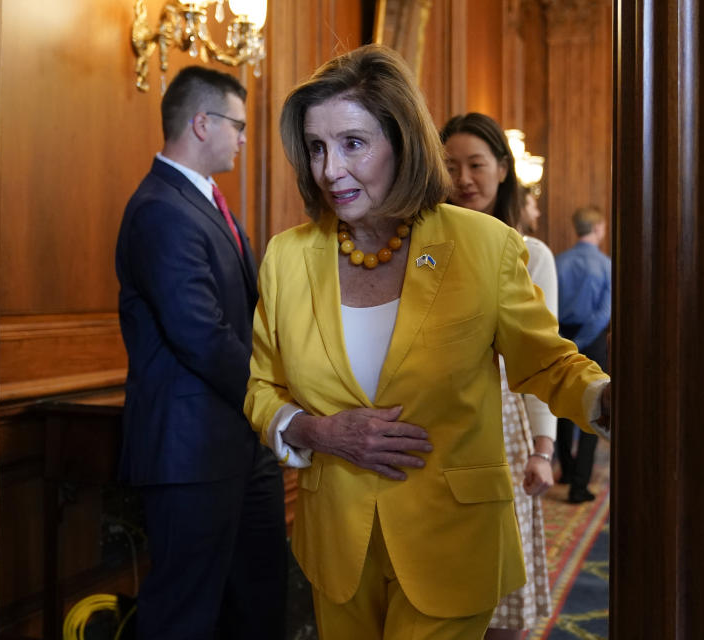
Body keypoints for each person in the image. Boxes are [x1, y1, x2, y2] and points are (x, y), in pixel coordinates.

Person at [244, 44, 610, 639]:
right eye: (316, 147)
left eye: (353, 144)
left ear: (403, 141)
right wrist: (316, 430)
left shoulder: (482, 244)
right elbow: (263, 388)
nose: (330, 169)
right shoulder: (287, 257)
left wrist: (602, 398)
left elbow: (547, 363)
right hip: (337, 540)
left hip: (451, 537)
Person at [115, 65, 286, 640]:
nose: (243, 139)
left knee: (256, 605)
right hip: (191, 454)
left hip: (238, 444)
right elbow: (201, 333)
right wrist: (276, 400)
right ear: (201, 122)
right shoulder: (161, 208)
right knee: (185, 617)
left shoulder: (206, 201)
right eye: (238, 126)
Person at [441, 113, 557, 639]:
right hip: (436, 431)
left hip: (505, 433)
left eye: (476, 165)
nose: (463, 178)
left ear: (504, 170)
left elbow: (540, 361)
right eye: (450, 166)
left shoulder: (531, 255)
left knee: (502, 597)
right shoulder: (423, 250)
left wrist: (543, 450)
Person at [554, 206, 612, 503]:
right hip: (590, 340)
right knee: (594, 403)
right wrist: (583, 341)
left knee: (562, 402)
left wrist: (567, 341)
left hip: (560, 336)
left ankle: (564, 469)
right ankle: (579, 485)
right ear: (599, 228)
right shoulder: (605, 264)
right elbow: (604, 313)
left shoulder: (557, 261)